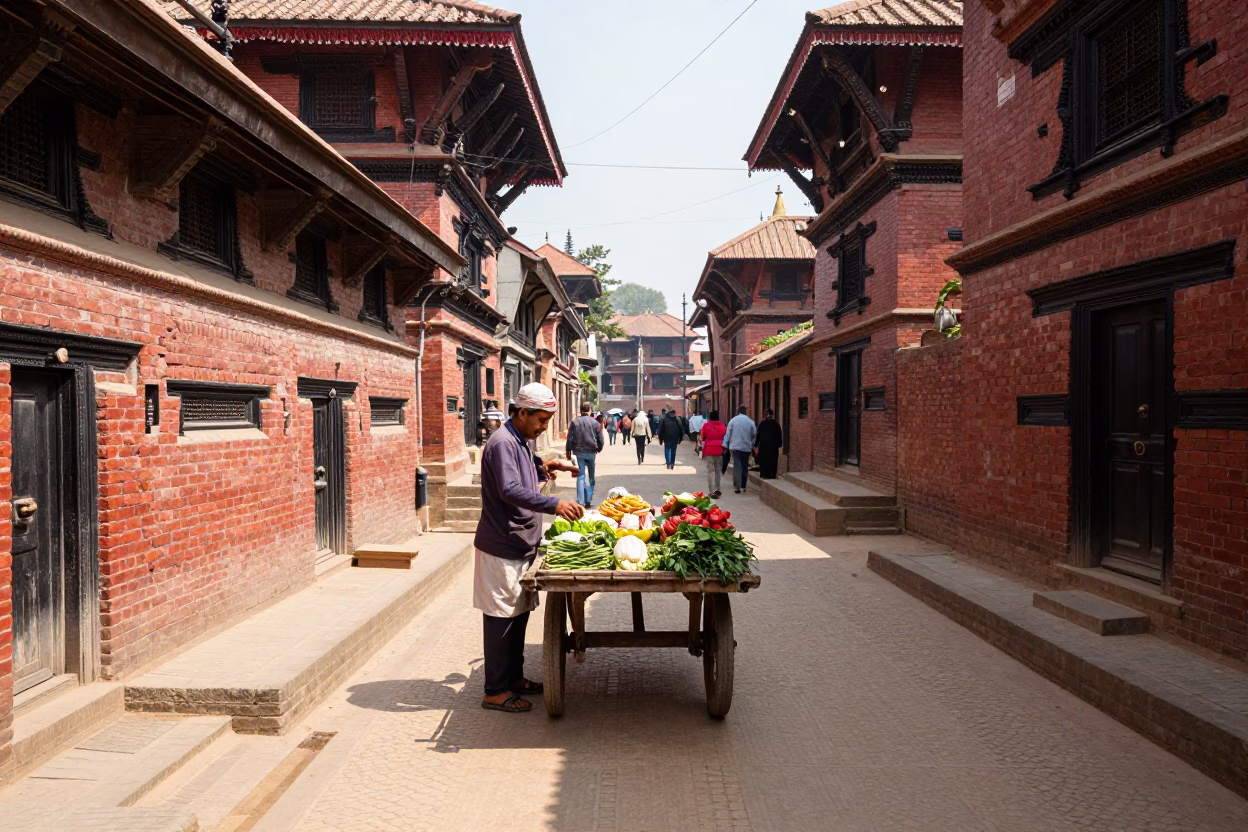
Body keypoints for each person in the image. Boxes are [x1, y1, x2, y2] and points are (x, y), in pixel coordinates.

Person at [475, 383, 582, 713]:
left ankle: (514, 677)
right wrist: (554, 503)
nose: (543, 426)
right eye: (541, 420)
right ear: (522, 413)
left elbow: (524, 467)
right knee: (500, 617)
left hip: (522, 541)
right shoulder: (501, 443)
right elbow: (508, 489)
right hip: (501, 544)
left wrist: (547, 466)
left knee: (518, 613)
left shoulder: (520, 440)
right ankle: (495, 690)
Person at [566, 401, 605, 508]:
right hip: (591, 452)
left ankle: (580, 501)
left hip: (579, 452)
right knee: (591, 476)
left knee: (581, 475)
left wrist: (568, 451)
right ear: (590, 410)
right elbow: (601, 439)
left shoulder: (575, 422)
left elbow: (569, 438)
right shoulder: (595, 423)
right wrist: (599, 448)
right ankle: (588, 499)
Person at [723, 405, 757, 494]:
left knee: (737, 466)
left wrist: (725, 445)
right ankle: (743, 486)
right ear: (745, 412)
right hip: (746, 447)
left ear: (738, 412)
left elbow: (728, 434)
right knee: (744, 466)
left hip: (735, 447)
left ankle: (737, 486)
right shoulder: (750, 422)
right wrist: (752, 444)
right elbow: (754, 434)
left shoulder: (733, 421)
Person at [699, 409, 726, 498]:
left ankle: (711, 491)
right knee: (718, 470)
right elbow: (724, 436)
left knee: (710, 471)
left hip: (709, 450)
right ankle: (717, 489)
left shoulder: (706, 426)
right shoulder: (722, 426)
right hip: (718, 450)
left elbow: (702, 437)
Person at [754, 409, 783, 479]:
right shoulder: (776, 424)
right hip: (773, 447)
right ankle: (772, 474)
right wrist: (779, 444)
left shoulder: (762, 424)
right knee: (773, 460)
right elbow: (779, 435)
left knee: (764, 460)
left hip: (764, 446)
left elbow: (758, 436)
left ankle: (764, 474)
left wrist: (755, 445)